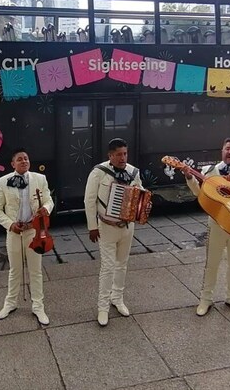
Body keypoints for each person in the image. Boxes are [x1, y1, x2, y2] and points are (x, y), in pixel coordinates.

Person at [182, 137, 230, 317]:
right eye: (227, 149)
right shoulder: (209, 171)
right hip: (218, 223)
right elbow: (200, 194)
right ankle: (205, 299)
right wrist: (189, 178)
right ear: (222, 151)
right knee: (212, 263)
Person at [0, 147, 54, 325]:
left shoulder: (39, 179)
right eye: (19, 159)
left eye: (26, 158)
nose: (24, 161)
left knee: (35, 270)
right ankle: (10, 303)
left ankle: (38, 306)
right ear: (13, 164)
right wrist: (10, 225)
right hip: (14, 232)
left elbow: (49, 199)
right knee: (15, 270)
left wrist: (46, 208)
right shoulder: (4, 181)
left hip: (34, 231)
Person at [84, 138, 142, 326]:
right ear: (110, 155)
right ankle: (103, 308)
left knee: (122, 264)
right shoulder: (99, 172)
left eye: (125, 153)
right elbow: (89, 199)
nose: (122, 157)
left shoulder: (133, 172)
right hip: (106, 227)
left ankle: (117, 298)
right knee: (107, 268)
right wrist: (92, 226)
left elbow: (141, 193)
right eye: (118, 154)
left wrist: (141, 198)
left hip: (127, 227)